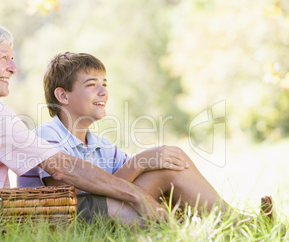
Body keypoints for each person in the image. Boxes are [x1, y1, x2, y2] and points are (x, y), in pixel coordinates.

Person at [0, 21, 190, 225]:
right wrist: (139, 196)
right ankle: (211, 228)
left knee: (158, 187)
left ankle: (217, 224)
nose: (13, 67)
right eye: (3, 58)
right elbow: (62, 168)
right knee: (150, 206)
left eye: (12, 58)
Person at [18, 51, 274, 225]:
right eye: (91, 84)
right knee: (164, 170)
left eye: (105, 83)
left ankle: (230, 223)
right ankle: (238, 224)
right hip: (65, 221)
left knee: (169, 161)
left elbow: (121, 184)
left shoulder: (100, 145)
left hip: (101, 213)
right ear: (62, 96)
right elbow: (67, 198)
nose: (104, 91)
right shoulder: (46, 136)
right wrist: (139, 162)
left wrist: (151, 162)